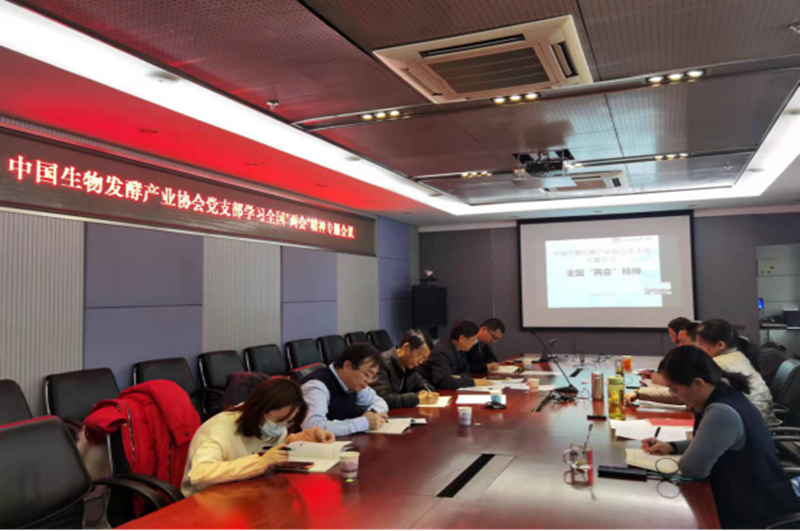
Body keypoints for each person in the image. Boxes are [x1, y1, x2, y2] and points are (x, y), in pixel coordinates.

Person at [641, 346, 799, 530]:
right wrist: (673, 446)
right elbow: (715, 440)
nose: (675, 395)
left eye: (674, 389)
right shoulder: (724, 391)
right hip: (753, 496)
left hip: (754, 512)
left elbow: (692, 469)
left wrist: (684, 456)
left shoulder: (721, 412)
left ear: (698, 383)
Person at [182, 378, 335, 497]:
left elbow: (267, 446)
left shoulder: (272, 425)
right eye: (278, 420)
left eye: (288, 422)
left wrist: (302, 439)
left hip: (245, 492)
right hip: (207, 500)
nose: (282, 427)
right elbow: (200, 474)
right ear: (261, 409)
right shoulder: (218, 428)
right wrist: (260, 462)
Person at [694, 319, 777, 425]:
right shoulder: (737, 355)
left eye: (700, 343)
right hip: (757, 417)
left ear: (720, 345)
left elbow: (695, 395)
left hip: (750, 422)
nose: (697, 347)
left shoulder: (720, 363)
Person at [301, 343, 389, 437]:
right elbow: (312, 427)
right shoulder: (317, 386)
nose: (369, 381)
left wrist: (371, 413)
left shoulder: (355, 384)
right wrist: (363, 423)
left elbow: (379, 402)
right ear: (347, 366)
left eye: (373, 376)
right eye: (367, 374)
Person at [417, 320, 494, 390]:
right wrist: (473, 382)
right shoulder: (442, 351)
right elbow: (443, 380)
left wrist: (458, 377)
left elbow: (466, 371)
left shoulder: (459, 349)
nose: (474, 343)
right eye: (473, 340)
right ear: (462, 338)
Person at [373, 329, 439, 409]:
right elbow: (383, 398)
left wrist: (424, 392)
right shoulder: (381, 363)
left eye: (424, 359)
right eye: (420, 356)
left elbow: (425, 384)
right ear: (406, 347)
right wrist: (416, 398)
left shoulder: (409, 366)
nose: (421, 362)